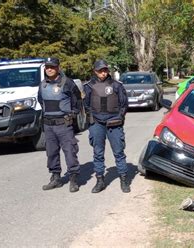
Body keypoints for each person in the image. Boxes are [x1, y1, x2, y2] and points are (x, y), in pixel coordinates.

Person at [83, 59, 130, 193]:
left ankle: (124, 179)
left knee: (119, 152)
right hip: (97, 124)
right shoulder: (89, 86)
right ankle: (100, 180)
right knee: (98, 153)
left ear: (108, 71)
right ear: (95, 71)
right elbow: (86, 105)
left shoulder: (117, 85)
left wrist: (119, 118)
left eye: (105, 70)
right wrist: (92, 118)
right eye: (100, 70)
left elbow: (124, 104)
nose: (103, 73)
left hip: (114, 123)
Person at [38, 57, 82, 193]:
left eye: (52, 67)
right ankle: (55, 178)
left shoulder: (67, 83)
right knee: (51, 153)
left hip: (64, 124)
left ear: (58, 67)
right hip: (48, 125)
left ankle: (73, 179)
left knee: (70, 152)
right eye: (47, 67)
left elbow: (77, 101)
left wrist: (72, 114)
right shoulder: (42, 84)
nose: (49, 69)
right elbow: (41, 100)